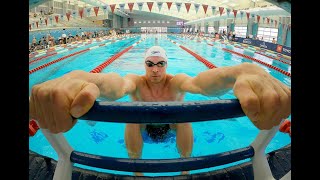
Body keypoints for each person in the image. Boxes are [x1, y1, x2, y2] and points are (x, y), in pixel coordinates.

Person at [29, 46, 291, 176]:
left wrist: (239, 72)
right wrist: (87, 78)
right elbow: (115, 85)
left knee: (184, 117)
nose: (155, 69)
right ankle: (137, 172)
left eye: (161, 64)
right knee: (132, 118)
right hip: (140, 130)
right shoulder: (136, 82)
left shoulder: (176, 82)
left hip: (174, 129)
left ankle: (185, 170)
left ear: (167, 64)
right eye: (150, 64)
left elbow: (202, 83)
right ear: (144, 65)